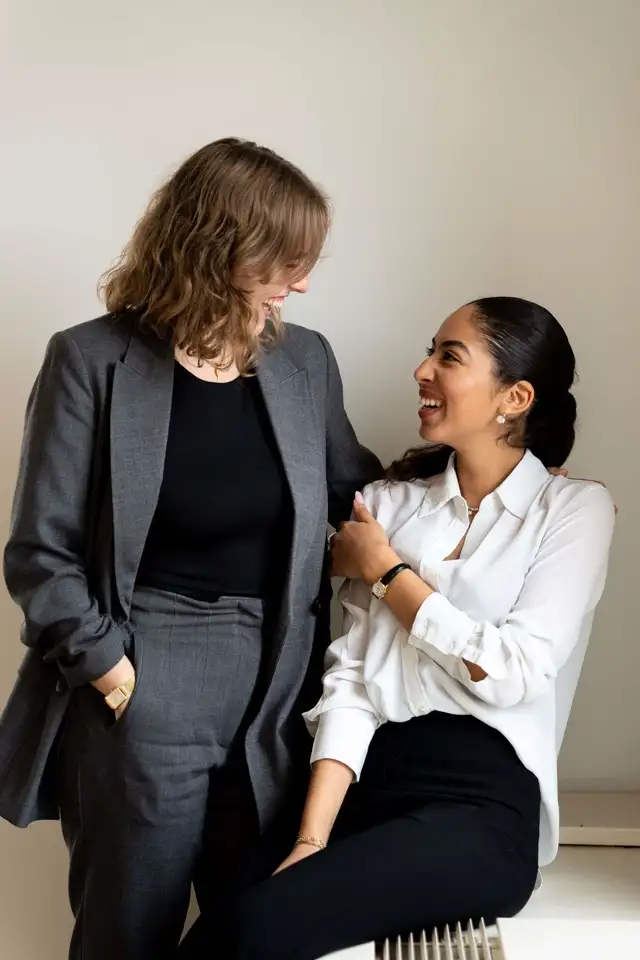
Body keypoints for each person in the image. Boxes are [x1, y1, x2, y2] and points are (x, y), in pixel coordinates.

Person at [0, 138, 381, 960]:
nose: (303, 282)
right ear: (224, 247)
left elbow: (361, 491)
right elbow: (41, 550)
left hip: (283, 688)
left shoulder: (304, 361)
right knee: (127, 936)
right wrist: (111, 669)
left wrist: (498, 467)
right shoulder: (92, 360)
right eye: (287, 259)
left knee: (255, 935)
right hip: (146, 679)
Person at [184, 296, 615, 960]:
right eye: (429, 350)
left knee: (257, 931)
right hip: (361, 782)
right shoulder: (387, 505)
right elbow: (352, 684)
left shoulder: (574, 510)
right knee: (220, 921)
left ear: (516, 396)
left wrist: (388, 574)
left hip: (479, 802)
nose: (422, 370)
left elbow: (512, 671)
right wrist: (311, 840)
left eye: (449, 356)